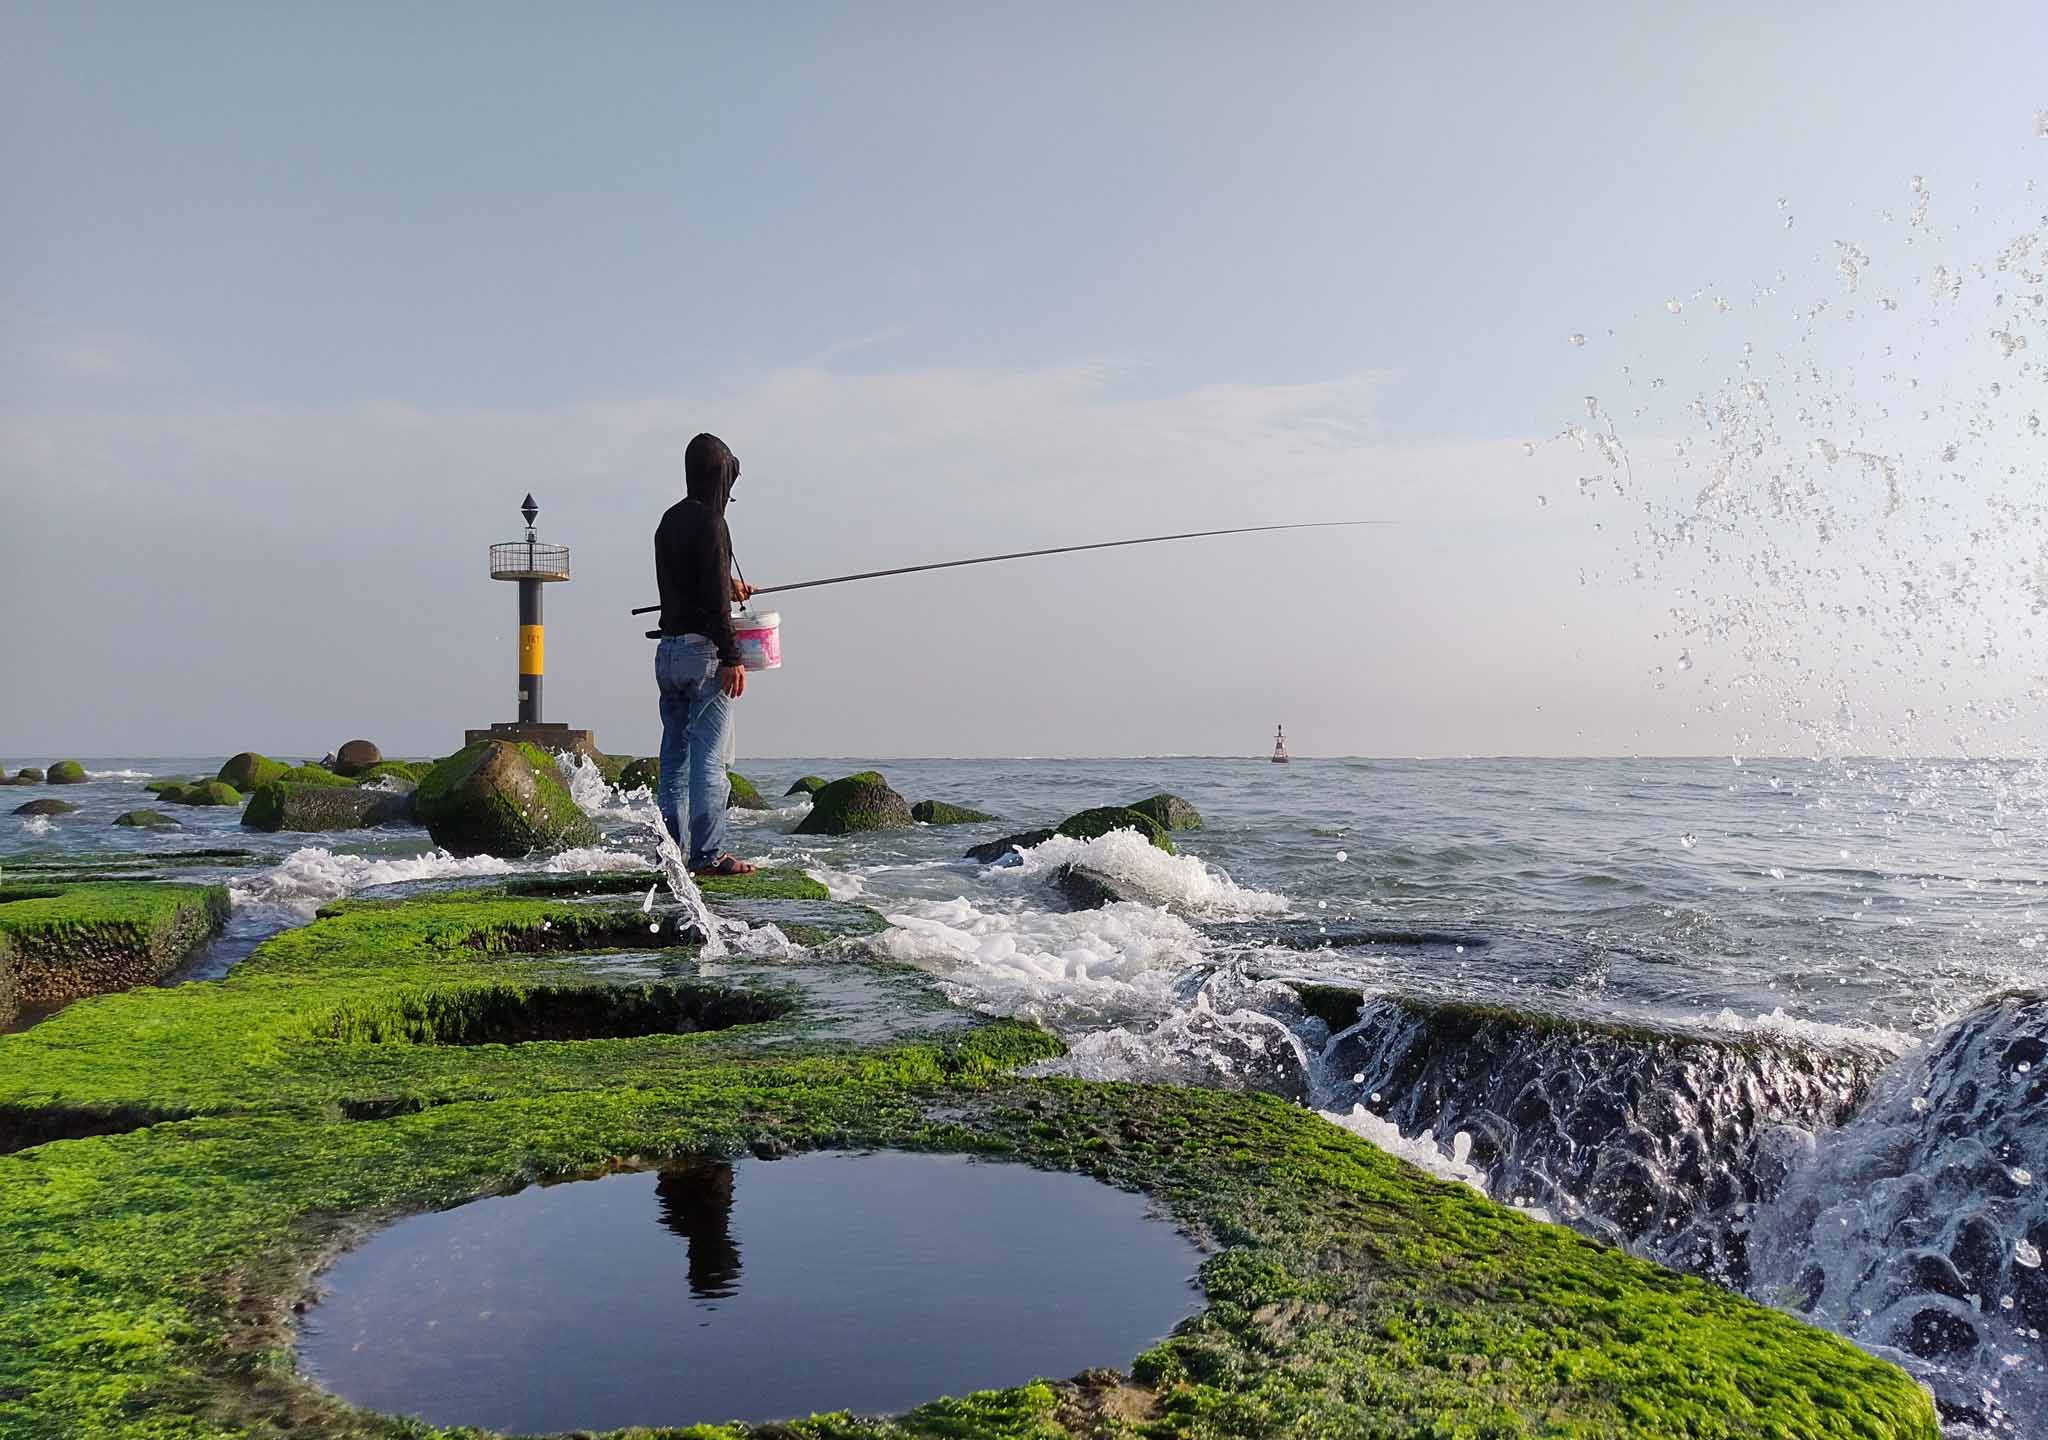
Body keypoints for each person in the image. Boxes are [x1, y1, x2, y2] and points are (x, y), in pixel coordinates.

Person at [652, 432, 756, 876]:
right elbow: (713, 605)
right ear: (719, 477)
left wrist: (727, 587)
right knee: (711, 760)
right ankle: (708, 855)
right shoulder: (714, 524)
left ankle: (669, 854)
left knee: (674, 758)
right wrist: (732, 657)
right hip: (705, 657)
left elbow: (691, 585)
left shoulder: (668, 521)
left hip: (668, 653)